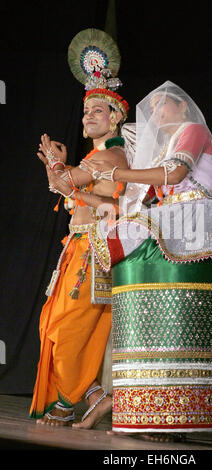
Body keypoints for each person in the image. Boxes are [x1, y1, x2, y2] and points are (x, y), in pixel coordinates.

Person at [81, 81, 212, 441]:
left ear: (183, 109)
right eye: (153, 109)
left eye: (162, 107)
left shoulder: (193, 130)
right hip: (174, 219)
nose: (156, 114)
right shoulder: (167, 144)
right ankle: (146, 410)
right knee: (148, 289)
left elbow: (174, 176)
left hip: (198, 218)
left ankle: (177, 416)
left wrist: (116, 175)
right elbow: (151, 193)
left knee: (183, 312)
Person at [29, 28, 130, 429]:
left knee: (65, 327)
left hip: (94, 251)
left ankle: (78, 400)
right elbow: (66, 186)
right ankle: (92, 396)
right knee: (51, 323)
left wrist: (57, 166)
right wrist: (55, 168)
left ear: (117, 117)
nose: (88, 117)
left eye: (97, 112)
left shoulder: (112, 155)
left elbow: (67, 183)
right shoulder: (95, 156)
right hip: (77, 247)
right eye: (86, 111)